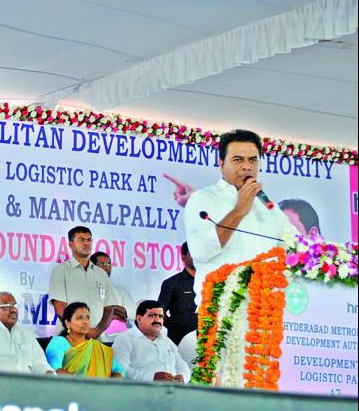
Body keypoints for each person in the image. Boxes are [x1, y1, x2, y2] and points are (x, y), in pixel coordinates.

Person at [184, 129, 297, 304]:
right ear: (221, 164)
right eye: (238, 160)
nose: (247, 166)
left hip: (264, 312)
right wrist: (239, 211)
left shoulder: (270, 208)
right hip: (219, 310)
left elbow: (296, 250)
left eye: (253, 160)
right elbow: (201, 252)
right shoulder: (203, 198)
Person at [49, 226, 122, 338]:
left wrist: (97, 331)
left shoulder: (101, 274)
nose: (86, 243)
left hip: (98, 338)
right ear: (71, 245)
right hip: (70, 338)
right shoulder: (61, 271)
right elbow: (60, 309)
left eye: (89, 240)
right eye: (81, 240)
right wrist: (83, 331)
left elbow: (108, 309)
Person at [112, 300, 190, 383]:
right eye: (152, 315)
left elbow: (182, 365)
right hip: (141, 392)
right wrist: (151, 377)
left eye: (160, 316)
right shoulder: (125, 339)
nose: (158, 320)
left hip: (172, 392)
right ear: (139, 319)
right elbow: (120, 370)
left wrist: (183, 377)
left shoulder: (167, 341)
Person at [45, 302, 125, 378]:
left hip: (101, 390)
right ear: (67, 323)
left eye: (87, 317)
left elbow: (119, 371)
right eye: (80, 318)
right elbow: (54, 370)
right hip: (70, 389)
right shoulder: (59, 342)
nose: (86, 322)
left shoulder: (96, 346)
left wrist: (109, 386)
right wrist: (85, 383)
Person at [90, 252, 136, 343]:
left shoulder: (119, 292)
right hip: (92, 340)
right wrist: (111, 314)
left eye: (109, 263)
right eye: (102, 264)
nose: (107, 267)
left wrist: (113, 308)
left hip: (116, 341)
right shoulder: (84, 290)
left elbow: (134, 313)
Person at [157, 242, 198, 345]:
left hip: (207, 338)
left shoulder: (209, 280)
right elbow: (160, 312)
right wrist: (175, 325)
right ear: (184, 257)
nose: (197, 256)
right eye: (193, 252)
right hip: (180, 341)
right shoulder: (172, 283)